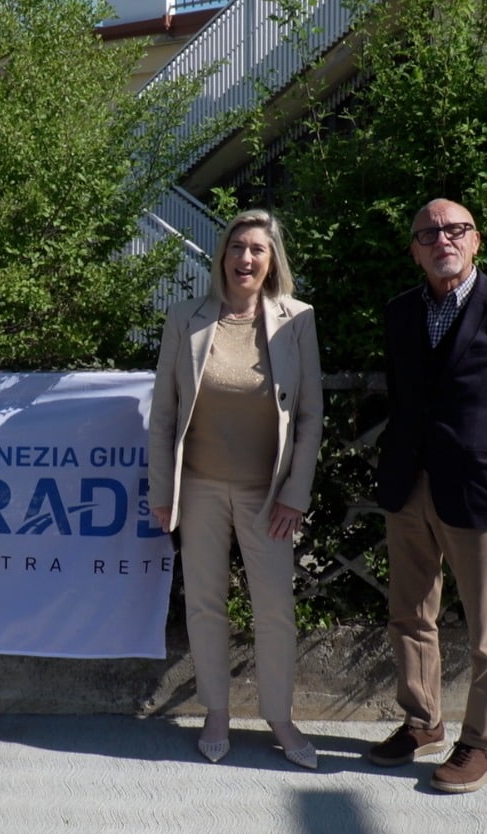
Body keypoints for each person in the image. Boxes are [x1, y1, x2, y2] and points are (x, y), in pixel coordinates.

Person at [368, 198, 487, 793]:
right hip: (407, 487)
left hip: (478, 491)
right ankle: (422, 721)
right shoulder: (400, 312)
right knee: (410, 614)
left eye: (455, 229)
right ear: (415, 250)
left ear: (476, 241)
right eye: (428, 233)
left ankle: (482, 743)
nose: (441, 239)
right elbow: (402, 398)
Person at [149, 209, 324, 769]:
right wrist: (162, 491)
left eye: (258, 249)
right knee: (205, 605)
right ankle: (217, 711)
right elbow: (164, 415)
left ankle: (279, 716)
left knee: (275, 609)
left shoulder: (298, 320)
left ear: (272, 261)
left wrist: (296, 492)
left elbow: (310, 416)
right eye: (236, 248)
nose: (245, 258)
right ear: (221, 256)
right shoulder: (187, 319)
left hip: (268, 496)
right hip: (197, 487)